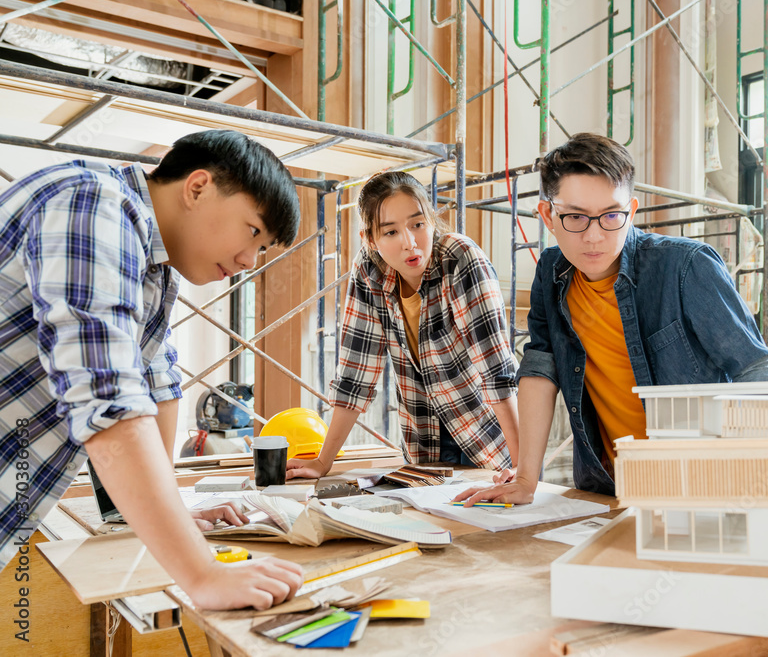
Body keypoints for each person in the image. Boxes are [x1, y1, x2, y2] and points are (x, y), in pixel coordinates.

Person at [0, 130, 304, 610]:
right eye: (252, 231)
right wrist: (202, 574)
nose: (249, 261)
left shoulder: (156, 267)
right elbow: (111, 401)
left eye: (262, 249)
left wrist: (173, 513)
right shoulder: (93, 203)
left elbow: (159, 385)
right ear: (198, 187)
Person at [456, 133, 768, 505]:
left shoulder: (685, 266)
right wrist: (527, 478)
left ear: (632, 210)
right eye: (575, 217)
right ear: (548, 215)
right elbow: (541, 366)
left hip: (697, 490)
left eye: (612, 215)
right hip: (605, 486)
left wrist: (765, 479)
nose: (594, 236)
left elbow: (756, 367)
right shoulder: (551, 272)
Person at [286, 171, 519, 481]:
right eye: (391, 232)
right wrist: (322, 462)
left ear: (432, 221)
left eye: (417, 224)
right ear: (370, 239)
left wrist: (523, 470)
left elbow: (497, 373)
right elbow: (356, 375)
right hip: (423, 447)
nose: (410, 243)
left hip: (487, 442)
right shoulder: (369, 271)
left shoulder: (461, 260)